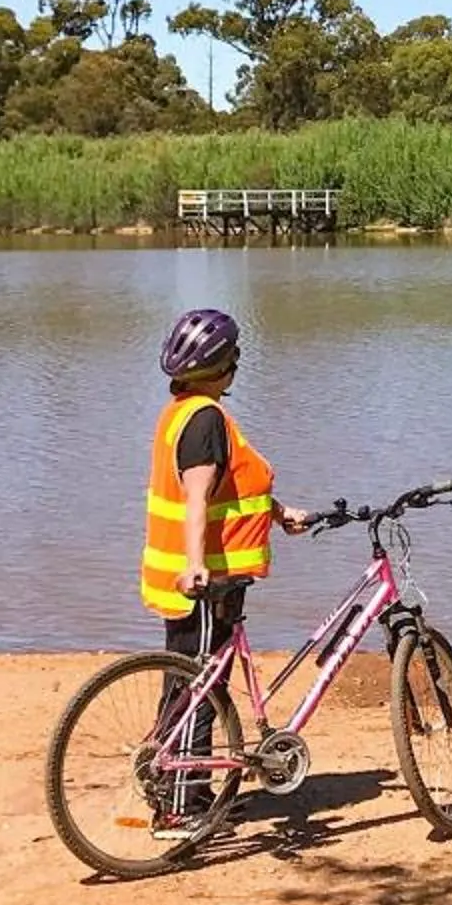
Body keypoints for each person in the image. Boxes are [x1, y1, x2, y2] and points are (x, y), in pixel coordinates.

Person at [140, 306, 311, 835]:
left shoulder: (182, 412)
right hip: (206, 581)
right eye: (235, 357)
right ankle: (180, 806)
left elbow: (233, 487)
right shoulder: (206, 420)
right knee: (202, 688)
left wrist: (280, 513)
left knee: (188, 681)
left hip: (200, 578)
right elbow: (196, 496)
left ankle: (187, 786)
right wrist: (196, 565)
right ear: (222, 365)